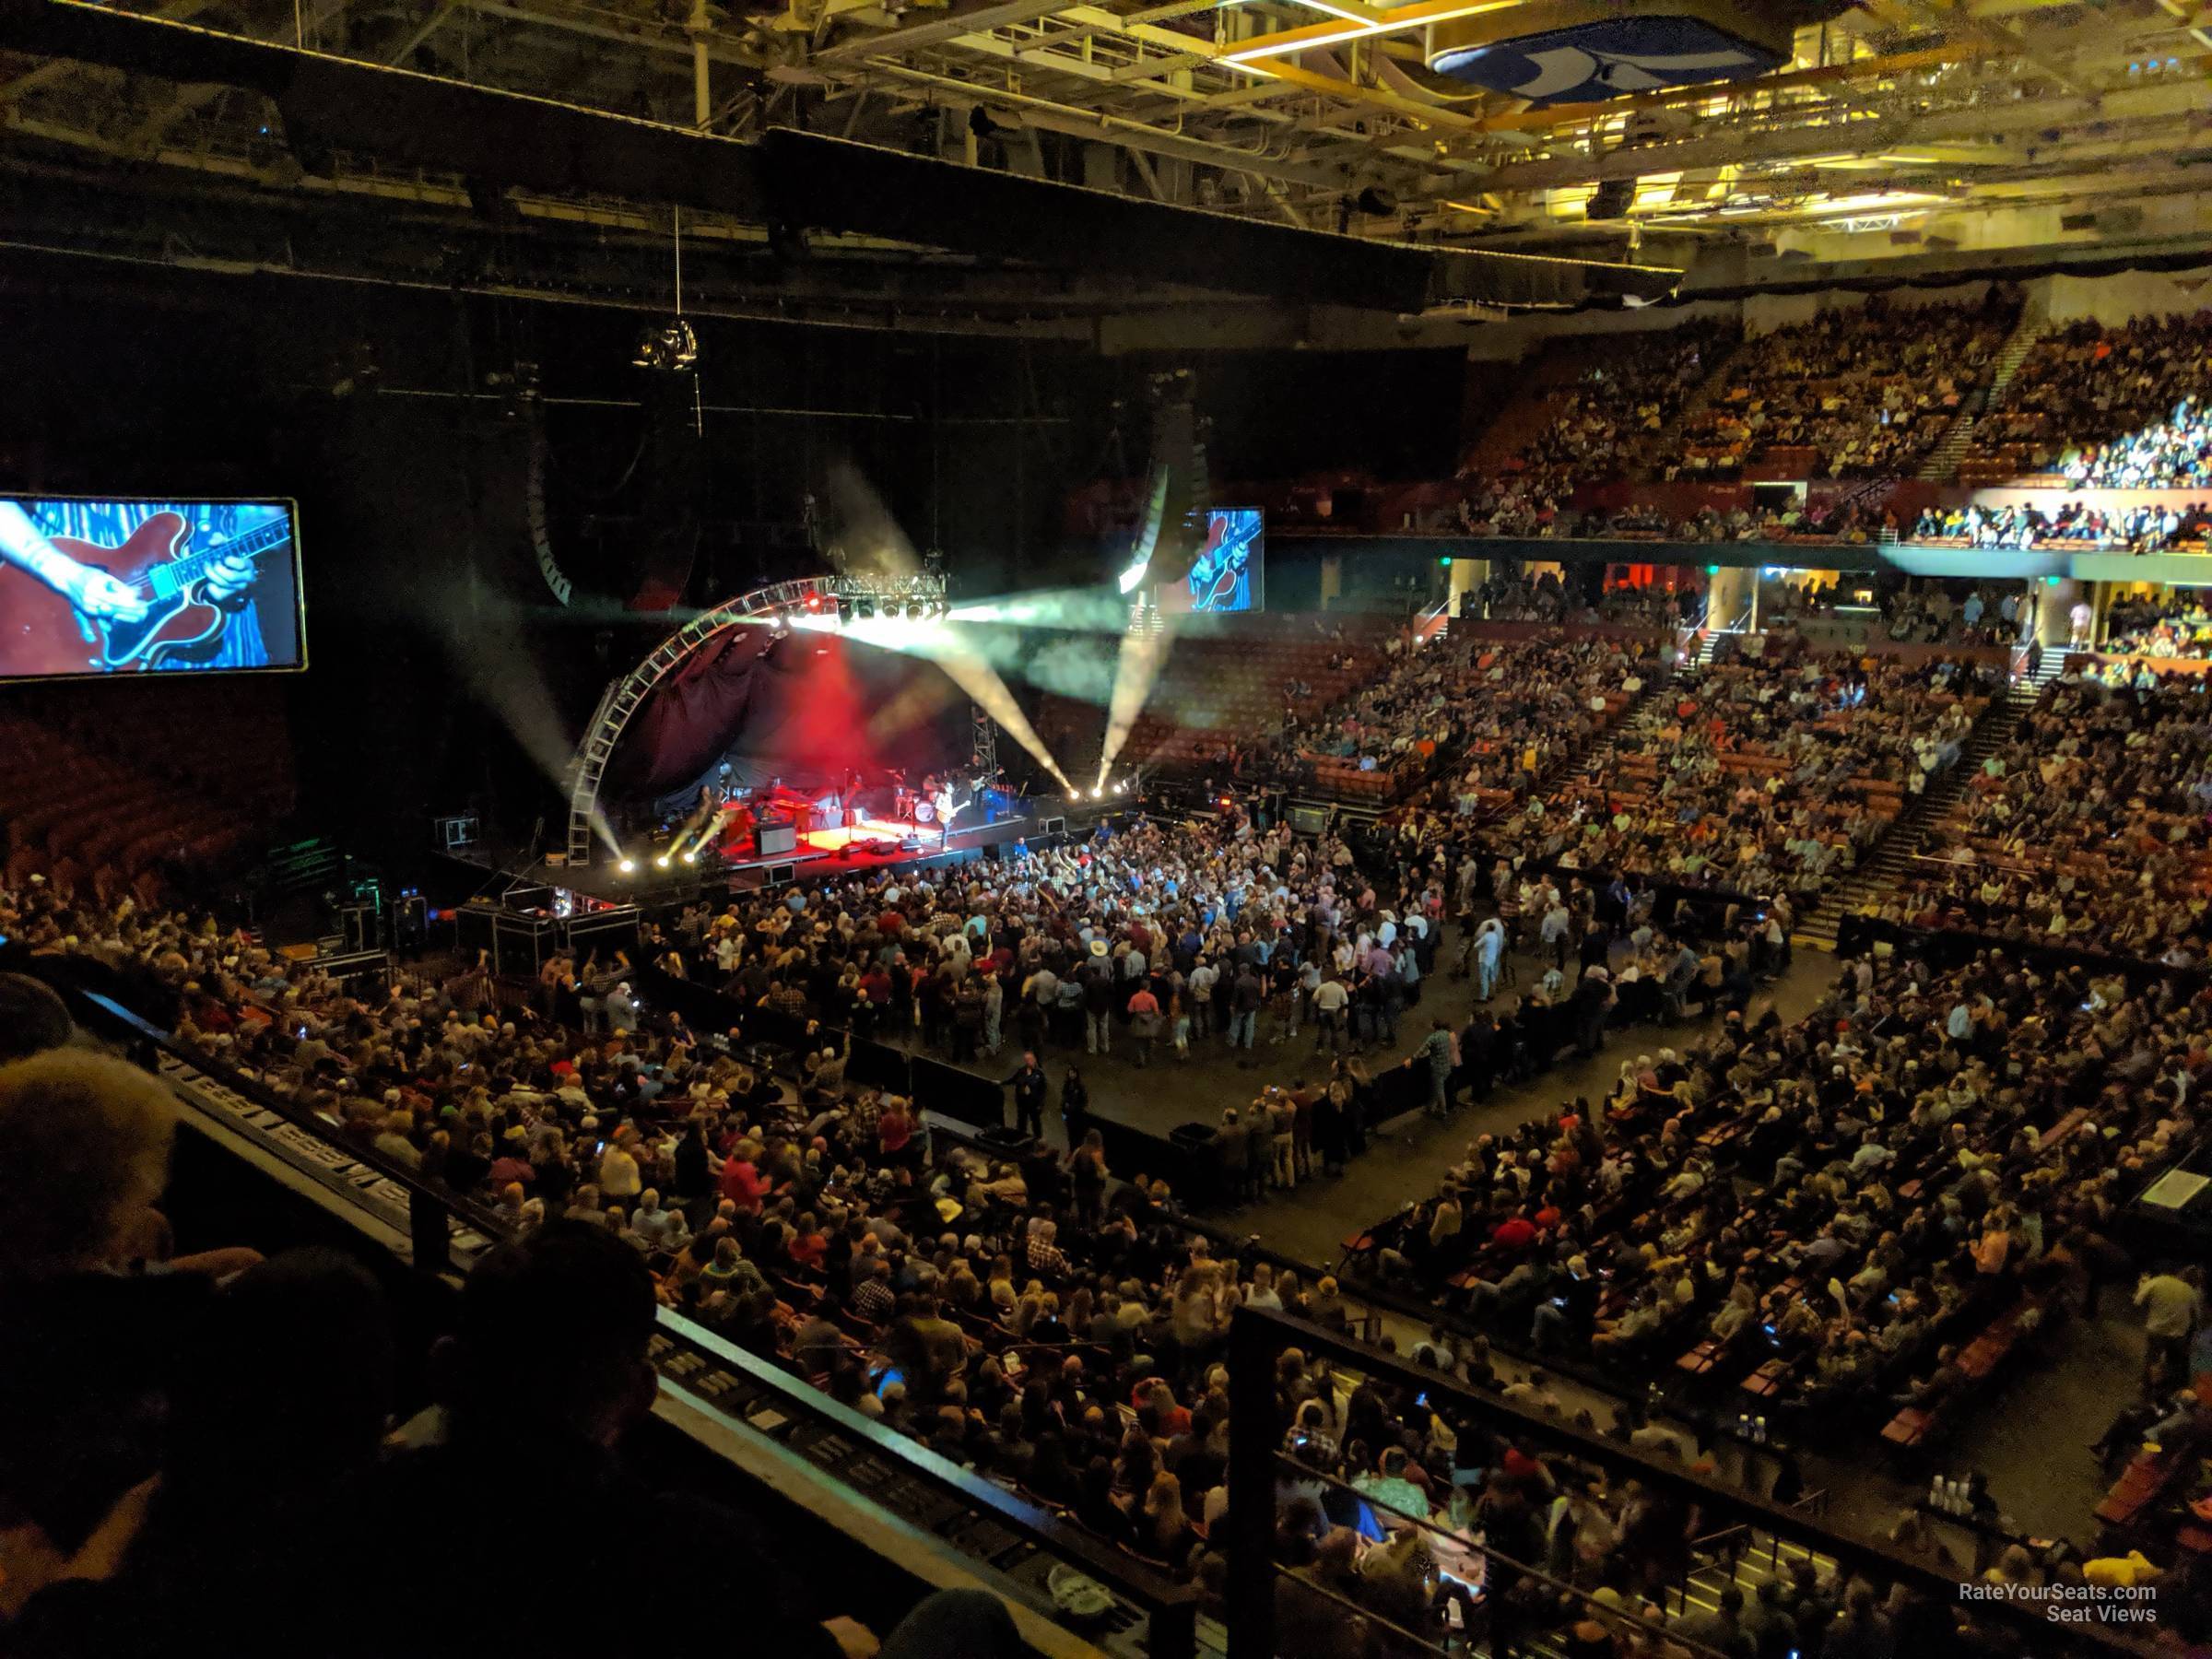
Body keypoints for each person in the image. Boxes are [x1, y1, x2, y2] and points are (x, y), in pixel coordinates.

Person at [335, 1224, 1024, 1658]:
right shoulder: (698, 1558)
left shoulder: (359, 1511)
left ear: (445, 1367)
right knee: (968, 1615)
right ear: (640, 1397)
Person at [1003, 1052, 1049, 1141]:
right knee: (1021, 1123)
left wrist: (1041, 1104)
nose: (1030, 1062)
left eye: (1031, 1060)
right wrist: (1002, 1083)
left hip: (1033, 1103)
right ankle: (1020, 1138)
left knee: (1036, 1123)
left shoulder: (1039, 1074)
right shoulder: (1021, 1071)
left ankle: (1038, 1140)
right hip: (1022, 1102)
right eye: (1028, 1060)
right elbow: (1013, 1080)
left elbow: (1043, 1091)